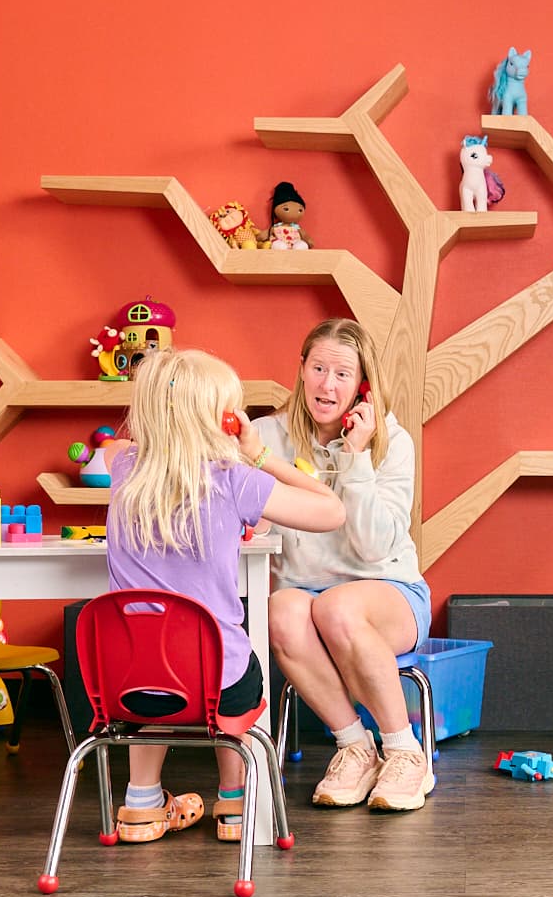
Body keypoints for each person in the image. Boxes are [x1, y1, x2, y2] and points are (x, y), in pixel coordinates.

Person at [105, 348, 344, 843]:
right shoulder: (237, 482)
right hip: (217, 681)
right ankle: (233, 806)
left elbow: (143, 454)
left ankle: (141, 806)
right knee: (232, 662)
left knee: (156, 672)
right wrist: (258, 454)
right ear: (223, 419)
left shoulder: (122, 467)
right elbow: (332, 510)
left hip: (128, 682)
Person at [252, 317, 435, 812]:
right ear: (302, 371)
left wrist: (355, 458)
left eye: (341, 374)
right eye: (318, 369)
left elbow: (376, 547)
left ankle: (405, 751)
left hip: (389, 592)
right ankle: (355, 746)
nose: (327, 385)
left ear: (363, 386)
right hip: (307, 594)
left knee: (336, 608)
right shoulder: (264, 437)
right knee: (281, 612)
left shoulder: (391, 443)